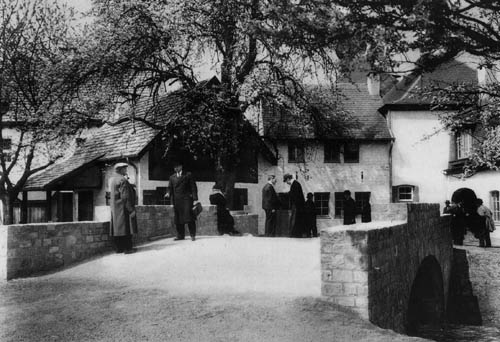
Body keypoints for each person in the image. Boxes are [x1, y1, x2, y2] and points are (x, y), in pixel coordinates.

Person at [166, 161, 199, 241]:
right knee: (178, 219)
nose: (176, 168)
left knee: (189, 217)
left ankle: (192, 235)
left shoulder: (188, 175)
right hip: (177, 200)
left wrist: (194, 199)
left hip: (186, 200)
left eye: (177, 167)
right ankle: (180, 235)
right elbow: (169, 188)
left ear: (181, 167)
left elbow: (193, 187)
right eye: (174, 167)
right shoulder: (172, 177)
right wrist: (168, 193)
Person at [109, 162, 138, 254]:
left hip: (115, 208)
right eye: (124, 169)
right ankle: (128, 249)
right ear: (120, 170)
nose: (126, 170)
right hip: (123, 208)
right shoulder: (123, 180)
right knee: (126, 228)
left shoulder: (112, 179)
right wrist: (131, 210)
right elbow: (125, 197)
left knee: (117, 228)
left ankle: (119, 248)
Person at [284, 173, 305, 238]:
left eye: (286, 181)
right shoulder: (295, 184)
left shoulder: (295, 184)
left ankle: (295, 234)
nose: (286, 183)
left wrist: (287, 194)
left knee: (295, 220)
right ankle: (296, 234)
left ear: (288, 179)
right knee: (296, 220)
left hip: (297, 206)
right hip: (298, 206)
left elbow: (295, 196)